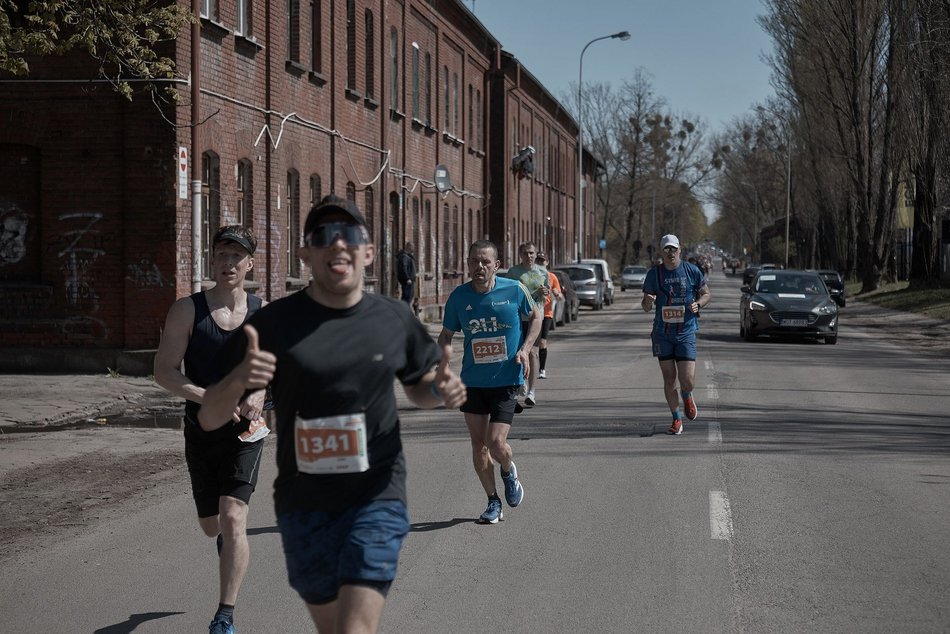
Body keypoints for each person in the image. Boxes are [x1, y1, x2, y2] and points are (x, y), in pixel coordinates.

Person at [198, 194, 466, 634]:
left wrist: (441, 389)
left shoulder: (393, 318)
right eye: (323, 235)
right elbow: (209, 417)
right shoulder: (273, 324)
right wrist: (238, 378)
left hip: (377, 496)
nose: (337, 243)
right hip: (304, 505)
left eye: (349, 234)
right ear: (305, 254)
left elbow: (420, 388)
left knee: (355, 629)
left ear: (367, 251)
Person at [153, 225, 270, 634]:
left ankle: (224, 615)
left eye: (236, 256)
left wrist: (260, 393)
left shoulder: (262, 312)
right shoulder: (188, 310)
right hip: (201, 427)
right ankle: (226, 543)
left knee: (234, 516)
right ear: (212, 260)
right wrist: (209, 396)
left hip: (246, 431)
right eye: (221, 255)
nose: (228, 263)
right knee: (212, 525)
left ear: (250, 264)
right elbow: (164, 372)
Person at [438, 239, 541, 524]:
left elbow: (537, 315)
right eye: (474, 262)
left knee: (496, 443)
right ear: (468, 264)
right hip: (473, 380)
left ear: (496, 265)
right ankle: (493, 501)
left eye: (485, 262)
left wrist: (524, 349)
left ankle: (508, 470)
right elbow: (446, 335)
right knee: (478, 444)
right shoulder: (459, 297)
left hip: (507, 378)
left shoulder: (514, 289)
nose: (479, 267)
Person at [641, 234, 711, 435]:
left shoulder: (692, 271)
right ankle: (676, 419)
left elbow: (706, 294)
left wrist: (698, 304)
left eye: (674, 249)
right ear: (662, 253)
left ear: (680, 250)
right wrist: (647, 299)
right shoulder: (654, 274)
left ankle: (687, 395)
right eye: (667, 249)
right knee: (669, 378)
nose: (671, 253)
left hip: (686, 331)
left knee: (687, 379)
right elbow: (646, 307)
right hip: (662, 333)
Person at [503, 241, 548, 407]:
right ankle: (519, 381)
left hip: (536, 318)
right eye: (525, 253)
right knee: (516, 353)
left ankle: (531, 391)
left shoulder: (543, 272)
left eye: (531, 253)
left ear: (536, 254)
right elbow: (507, 294)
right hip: (517, 317)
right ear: (520, 255)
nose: (528, 256)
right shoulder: (514, 272)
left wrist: (545, 292)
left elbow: (547, 294)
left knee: (531, 353)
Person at [534, 252, 562, 379]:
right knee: (531, 344)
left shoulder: (552, 277)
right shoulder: (531, 276)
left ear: (547, 262)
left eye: (543, 261)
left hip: (546, 313)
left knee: (542, 342)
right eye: (538, 261)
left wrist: (557, 294)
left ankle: (542, 369)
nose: (541, 263)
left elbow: (561, 297)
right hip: (533, 313)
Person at [395, 242, 417, 307]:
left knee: (409, 296)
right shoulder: (404, 256)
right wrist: (407, 278)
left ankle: (404, 311)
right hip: (407, 281)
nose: (413, 249)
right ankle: (403, 312)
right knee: (407, 297)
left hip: (410, 280)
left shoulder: (408, 256)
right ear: (408, 247)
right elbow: (403, 268)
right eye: (412, 247)